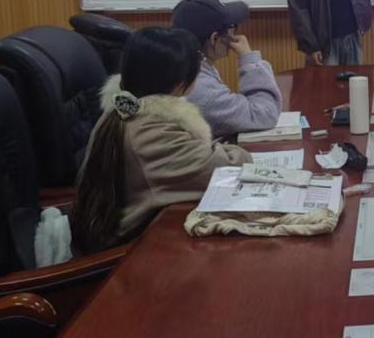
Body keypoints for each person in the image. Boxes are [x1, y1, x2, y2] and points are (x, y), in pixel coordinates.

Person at [71, 27, 252, 253]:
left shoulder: (122, 109)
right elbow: (228, 169)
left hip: (130, 233)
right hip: (126, 255)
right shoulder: (152, 133)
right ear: (180, 84)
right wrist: (237, 152)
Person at [171, 0, 282, 138]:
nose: (234, 35)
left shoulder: (179, 64)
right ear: (215, 38)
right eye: (231, 29)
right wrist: (249, 59)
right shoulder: (203, 89)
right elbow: (265, 115)